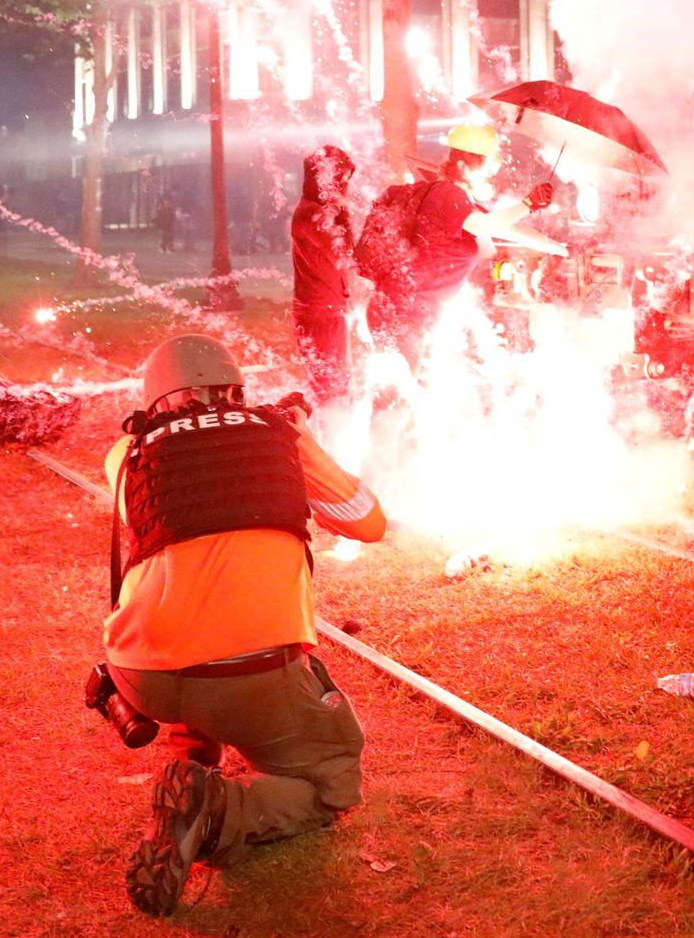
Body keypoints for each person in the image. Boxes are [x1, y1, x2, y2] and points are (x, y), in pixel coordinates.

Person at [101, 333, 386, 916]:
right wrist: (298, 440)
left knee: (188, 628)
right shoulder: (278, 434)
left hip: (140, 671)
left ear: (155, 400)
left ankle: (192, 766)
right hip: (251, 668)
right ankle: (218, 811)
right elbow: (367, 522)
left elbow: (184, 514)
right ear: (236, 387)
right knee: (328, 787)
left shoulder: (125, 453)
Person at [354, 124, 498, 365]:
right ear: (463, 167)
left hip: (400, 310)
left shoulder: (448, 199)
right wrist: (528, 204)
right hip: (404, 314)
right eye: (487, 168)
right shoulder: (449, 196)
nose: (491, 175)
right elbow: (486, 232)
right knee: (399, 397)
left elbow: (487, 251)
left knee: (404, 392)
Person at [290, 145, 356, 403]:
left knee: (335, 385)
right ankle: (330, 439)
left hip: (326, 309)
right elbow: (344, 251)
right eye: (340, 180)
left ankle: (331, 435)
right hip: (320, 312)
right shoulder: (313, 214)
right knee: (331, 390)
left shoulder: (316, 212)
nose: (344, 188)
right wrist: (342, 209)